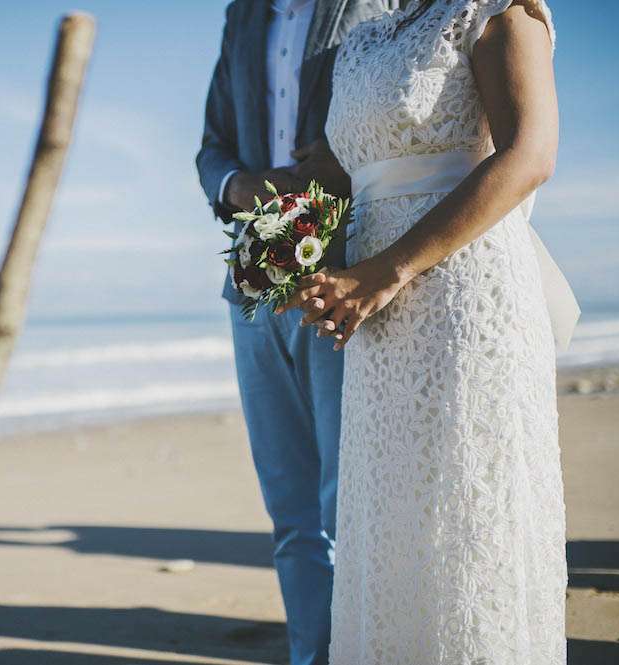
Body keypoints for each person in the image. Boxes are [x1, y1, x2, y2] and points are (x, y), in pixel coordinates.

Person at [281, 0, 567, 662]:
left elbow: (531, 155)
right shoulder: (362, 40)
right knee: (391, 518)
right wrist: (295, 253)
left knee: (463, 515)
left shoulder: (496, 11)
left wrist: (388, 270)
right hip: (376, 314)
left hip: (464, 295)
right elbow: (348, 173)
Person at [195, 2, 398, 663]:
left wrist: (345, 161)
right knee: (291, 510)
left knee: (349, 499)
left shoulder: (378, 4)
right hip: (255, 273)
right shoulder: (244, 15)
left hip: (351, 269)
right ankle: (311, 655)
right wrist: (245, 187)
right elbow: (211, 148)